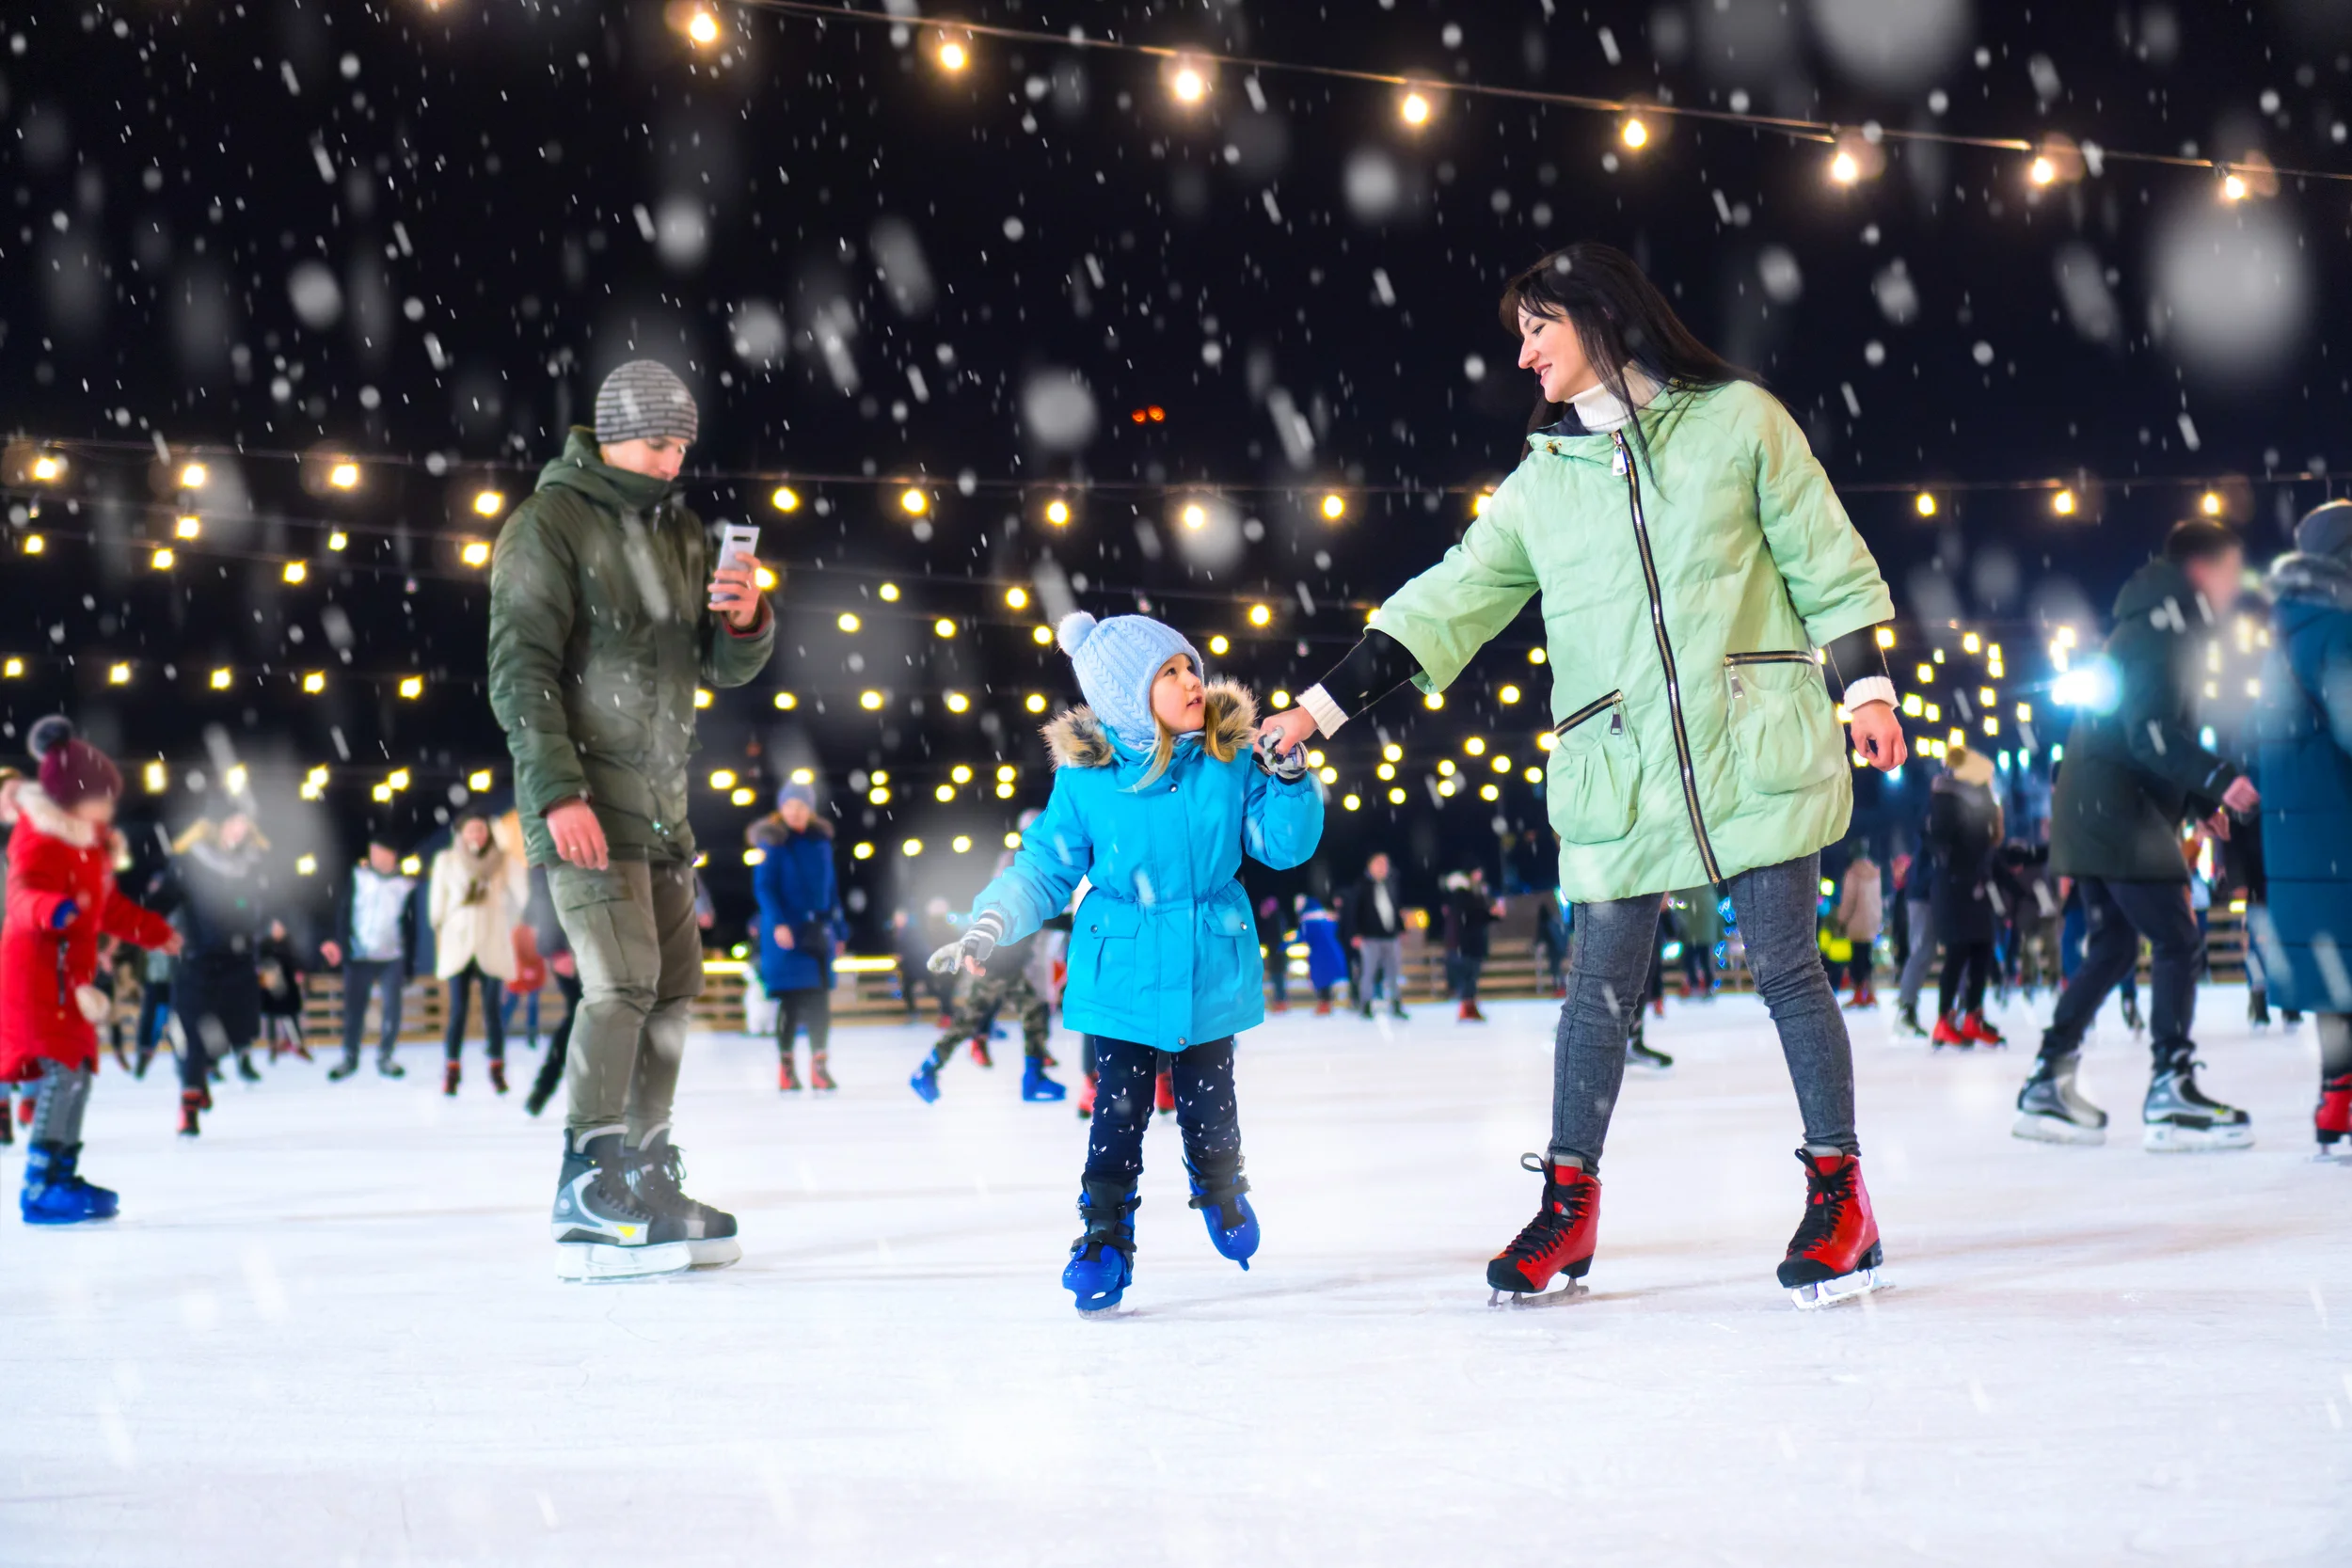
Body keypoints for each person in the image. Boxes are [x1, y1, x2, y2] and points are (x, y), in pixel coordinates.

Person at [1259, 242, 1907, 1307]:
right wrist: (1320, 707)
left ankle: (1842, 1196)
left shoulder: (1739, 421)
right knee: (1595, 993)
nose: (1523, 355)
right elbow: (1444, 601)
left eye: (1536, 328)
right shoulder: (1539, 488)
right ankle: (1569, 1206)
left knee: (1789, 968)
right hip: (1622, 770)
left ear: (1599, 318)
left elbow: (1820, 553)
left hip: (1751, 743)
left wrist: (1864, 687)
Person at [929, 610, 1322, 1312]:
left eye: (1188, 666)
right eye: (1166, 674)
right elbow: (1045, 866)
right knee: (1118, 1110)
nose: (1189, 681)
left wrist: (1289, 777)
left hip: (1207, 961)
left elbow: (1280, 844)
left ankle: (1222, 1188)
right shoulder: (1087, 779)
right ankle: (1104, 1235)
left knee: (1211, 1101)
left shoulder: (1228, 757)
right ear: (1123, 698)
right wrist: (989, 921)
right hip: (1123, 967)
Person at [488, 357, 773, 1279]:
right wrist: (558, 791)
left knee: (674, 984)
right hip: (584, 798)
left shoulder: (684, 532)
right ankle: (589, 1176)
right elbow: (520, 669)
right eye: (658, 442)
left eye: (683, 443)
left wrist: (746, 619)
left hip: (660, 805)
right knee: (619, 982)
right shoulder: (549, 523)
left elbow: (714, 669)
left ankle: (646, 1168)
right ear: (611, 434)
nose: (671, 459)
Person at [2014, 520, 2261, 1149]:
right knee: (2177, 937)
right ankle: (2171, 1088)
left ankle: (2048, 1078)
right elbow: (2148, 734)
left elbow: (2146, 735)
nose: (2236, 586)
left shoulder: (2154, 625)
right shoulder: (2159, 631)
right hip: (2115, 812)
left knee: (2115, 948)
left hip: (2096, 806)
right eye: (2231, 571)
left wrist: (2200, 799)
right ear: (2202, 570)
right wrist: (2217, 777)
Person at [2, 720, 180, 1220]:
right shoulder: (39, 838)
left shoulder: (90, 850)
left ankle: (62, 1173)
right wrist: (49, 908)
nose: (109, 807)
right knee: (64, 1072)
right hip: (36, 975)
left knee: (79, 1069)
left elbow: (109, 909)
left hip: (69, 980)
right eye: (101, 797)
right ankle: (39, 1185)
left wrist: (154, 931)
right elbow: (19, 897)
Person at [2252, 501, 2352, 1153]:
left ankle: (2336, 1095)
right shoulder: (2336, 628)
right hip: (2338, 826)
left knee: (2333, 966)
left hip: (2299, 833)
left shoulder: (2281, 635)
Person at [165, 808, 272, 1136]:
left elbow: (267, 903)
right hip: (196, 958)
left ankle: (205, 1069)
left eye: (246, 824)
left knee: (238, 1031)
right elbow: (164, 898)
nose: (241, 830)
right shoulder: (191, 862)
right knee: (193, 1035)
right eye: (236, 822)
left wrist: (268, 924)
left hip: (237, 960)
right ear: (219, 824)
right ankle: (189, 1105)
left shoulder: (253, 865)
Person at [751, 783, 842, 1094]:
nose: (795, 812)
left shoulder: (820, 843)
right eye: (789, 806)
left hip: (817, 933)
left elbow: (831, 890)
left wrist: (838, 929)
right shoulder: (772, 843)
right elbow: (764, 886)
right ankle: (786, 1070)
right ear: (781, 809)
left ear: (810, 809)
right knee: (790, 1001)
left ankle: (819, 1067)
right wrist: (777, 923)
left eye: (801, 806)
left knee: (819, 1001)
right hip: (786, 935)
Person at [428, 811, 527, 1097]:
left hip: (491, 939)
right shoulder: (447, 861)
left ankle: (497, 1069)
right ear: (460, 834)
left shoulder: (503, 860)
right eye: (471, 830)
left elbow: (522, 895)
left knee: (492, 1010)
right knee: (458, 1010)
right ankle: (451, 1069)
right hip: (458, 940)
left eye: (481, 830)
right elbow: (437, 903)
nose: (476, 835)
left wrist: (517, 921)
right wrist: (440, 925)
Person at [1925, 747, 2005, 1047]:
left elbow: (1989, 841)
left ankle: (1973, 1015)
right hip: (1955, 884)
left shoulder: (1979, 797)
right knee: (1958, 951)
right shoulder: (1946, 798)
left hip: (1975, 882)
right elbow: (1940, 839)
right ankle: (1945, 1019)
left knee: (1982, 948)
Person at [321, 836, 418, 1081]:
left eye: (382, 852)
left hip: (391, 955)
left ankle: (386, 1055)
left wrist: (409, 963)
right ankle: (350, 1056)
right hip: (359, 954)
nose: (377, 857)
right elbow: (344, 911)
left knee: (391, 1008)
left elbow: (411, 926)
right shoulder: (358, 878)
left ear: (392, 855)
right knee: (354, 1009)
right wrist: (342, 944)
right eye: (373, 851)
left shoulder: (404, 884)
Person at [520, 865, 582, 1118]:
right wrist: (557, 949)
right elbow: (543, 904)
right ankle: (544, 1087)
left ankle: (545, 1089)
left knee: (592, 1015)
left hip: (603, 944)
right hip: (570, 951)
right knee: (580, 1014)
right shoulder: (547, 858)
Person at [1347, 852, 1409, 1019]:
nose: (1382, 868)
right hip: (1370, 937)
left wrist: (1401, 929)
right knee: (1368, 972)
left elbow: (1396, 908)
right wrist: (1355, 933)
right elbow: (1354, 911)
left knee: (1394, 973)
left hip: (1390, 936)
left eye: (1385, 864)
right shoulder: (1362, 886)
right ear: (1370, 866)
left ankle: (1396, 1004)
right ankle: (1365, 1005)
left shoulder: (1391, 884)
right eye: (1379, 864)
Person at [1891, 837, 1937, 1038]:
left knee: (1925, 952)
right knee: (1921, 952)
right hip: (1924, 896)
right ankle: (1905, 1010)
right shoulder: (1933, 832)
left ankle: (1908, 1008)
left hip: (1928, 894)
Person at [1443, 868, 1502, 1022]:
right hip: (1467, 943)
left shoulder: (1475, 892)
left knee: (1472, 976)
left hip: (1473, 942)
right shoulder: (1462, 894)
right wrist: (1491, 914)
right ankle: (1467, 1007)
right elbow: (1472, 916)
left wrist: (1492, 915)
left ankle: (1469, 1006)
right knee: (1469, 975)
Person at [1834, 846, 1883, 1009]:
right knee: (1867, 958)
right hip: (1871, 922)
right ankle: (1870, 993)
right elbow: (1878, 900)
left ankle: (1857, 994)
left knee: (1856, 959)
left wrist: (1841, 919)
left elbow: (1849, 899)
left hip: (1856, 922)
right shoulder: (1875, 872)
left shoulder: (1853, 873)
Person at [256, 920, 311, 1062]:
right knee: (272, 1016)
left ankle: (297, 1044)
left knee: (292, 1015)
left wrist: (299, 972)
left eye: (280, 927)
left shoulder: (290, 944)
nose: (278, 930)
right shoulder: (264, 945)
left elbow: (297, 961)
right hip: (270, 981)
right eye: (275, 928)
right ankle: (273, 1046)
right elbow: (260, 962)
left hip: (288, 983)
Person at [1298, 895, 1348, 1014]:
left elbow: (1304, 937)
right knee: (1327, 978)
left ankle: (1324, 1003)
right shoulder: (1327, 919)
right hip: (1333, 951)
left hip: (1318, 955)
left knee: (1320, 978)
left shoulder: (1308, 921)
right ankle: (1327, 1003)